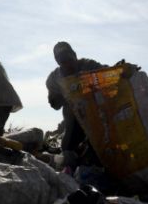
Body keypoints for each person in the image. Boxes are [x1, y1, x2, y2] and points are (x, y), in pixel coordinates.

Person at [45, 42, 108, 171]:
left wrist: (121, 69)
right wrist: (65, 95)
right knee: (67, 151)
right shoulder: (54, 79)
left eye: (70, 59)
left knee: (100, 151)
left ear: (75, 55)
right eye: (63, 62)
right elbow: (54, 104)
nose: (68, 64)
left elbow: (107, 73)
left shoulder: (88, 65)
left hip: (98, 117)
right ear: (57, 62)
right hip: (74, 120)